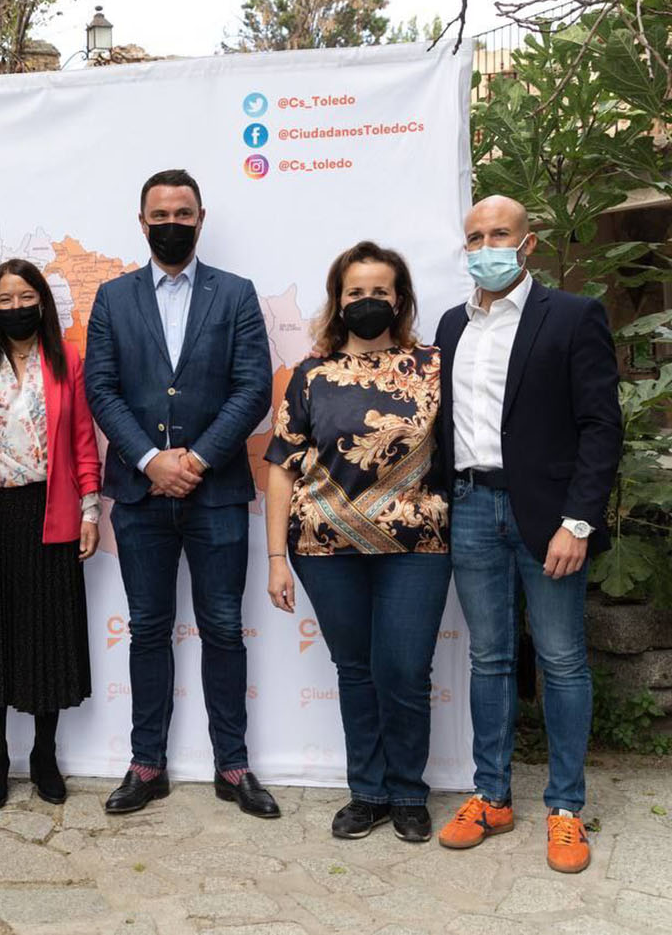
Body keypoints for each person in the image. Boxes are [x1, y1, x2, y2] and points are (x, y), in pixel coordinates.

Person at [434, 196, 621, 874]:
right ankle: (490, 794)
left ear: (527, 243)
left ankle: (564, 807)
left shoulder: (571, 317)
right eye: (474, 236)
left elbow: (601, 426)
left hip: (548, 518)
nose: (485, 245)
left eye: (498, 234)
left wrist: (577, 521)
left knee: (562, 659)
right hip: (470, 507)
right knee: (487, 657)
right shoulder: (451, 325)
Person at [84, 169, 278, 817]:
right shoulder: (112, 298)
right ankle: (146, 764)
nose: (171, 222)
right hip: (139, 498)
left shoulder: (237, 295)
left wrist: (192, 459)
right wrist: (147, 460)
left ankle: (232, 765)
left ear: (201, 218)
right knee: (147, 629)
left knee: (223, 628)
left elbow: (252, 388)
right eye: (159, 213)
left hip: (216, 491)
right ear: (141, 222)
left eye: (183, 212)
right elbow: (101, 390)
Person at [264, 241, 450, 843]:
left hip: (417, 542)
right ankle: (367, 792)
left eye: (379, 292)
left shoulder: (433, 365)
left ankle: (408, 792)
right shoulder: (309, 375)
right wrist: (274, 559)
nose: (367, 302)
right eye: (355, 293)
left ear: (399, 299)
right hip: (323, 548)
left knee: (404, 669)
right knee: (356, 669)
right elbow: (280, 466)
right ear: (337, 301)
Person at [0, 259, 102, 808]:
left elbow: (81, 441)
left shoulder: (66, 361)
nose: (14, 308)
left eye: (24, 297)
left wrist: (91, 511)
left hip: (50, 513)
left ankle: (45, 754)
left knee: (47, 637)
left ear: (42, 302)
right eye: (3, 300)